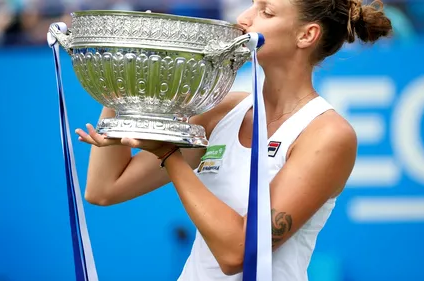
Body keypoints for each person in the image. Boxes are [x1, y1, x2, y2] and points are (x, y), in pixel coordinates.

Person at [75, 0, 392, 280]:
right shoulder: (222, 111)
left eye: (265, 11)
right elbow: (104, 189)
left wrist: (170, 155)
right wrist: (125, 69)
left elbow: (237, 253)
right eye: (252, 5)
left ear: (306, 35)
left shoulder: (328, 134)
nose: (244, 18)